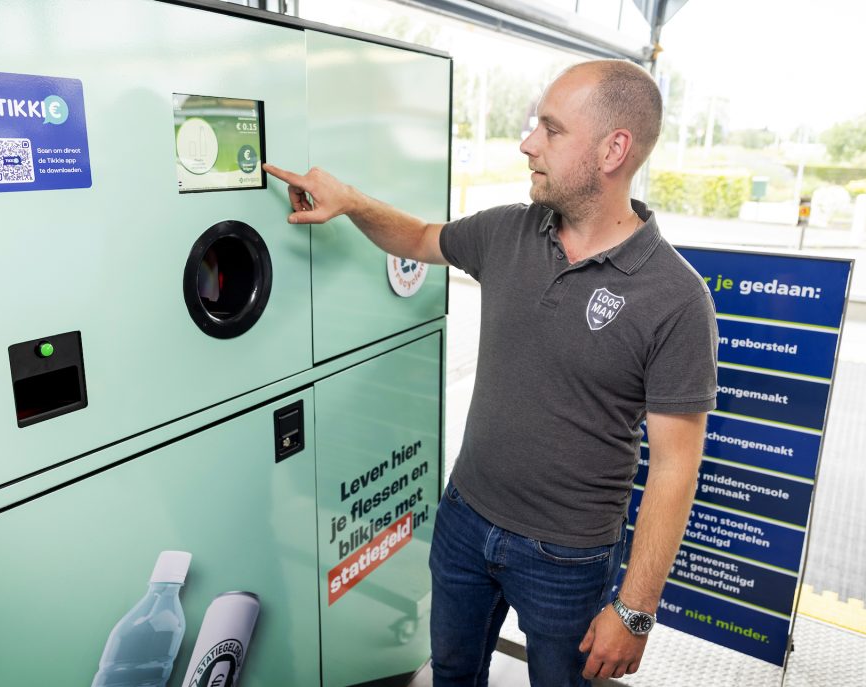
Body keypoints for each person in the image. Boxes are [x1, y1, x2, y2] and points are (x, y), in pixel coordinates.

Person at [264, 59, 718, 687]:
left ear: (614, 150)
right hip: (464, 521)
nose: (528, 142)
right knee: (452, 673)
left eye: (551, 130)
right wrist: (350, 202)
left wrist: (635, 610)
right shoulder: (510, 230)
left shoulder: (675, 296)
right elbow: (421, 237)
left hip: (567, 557)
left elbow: (675, 466)